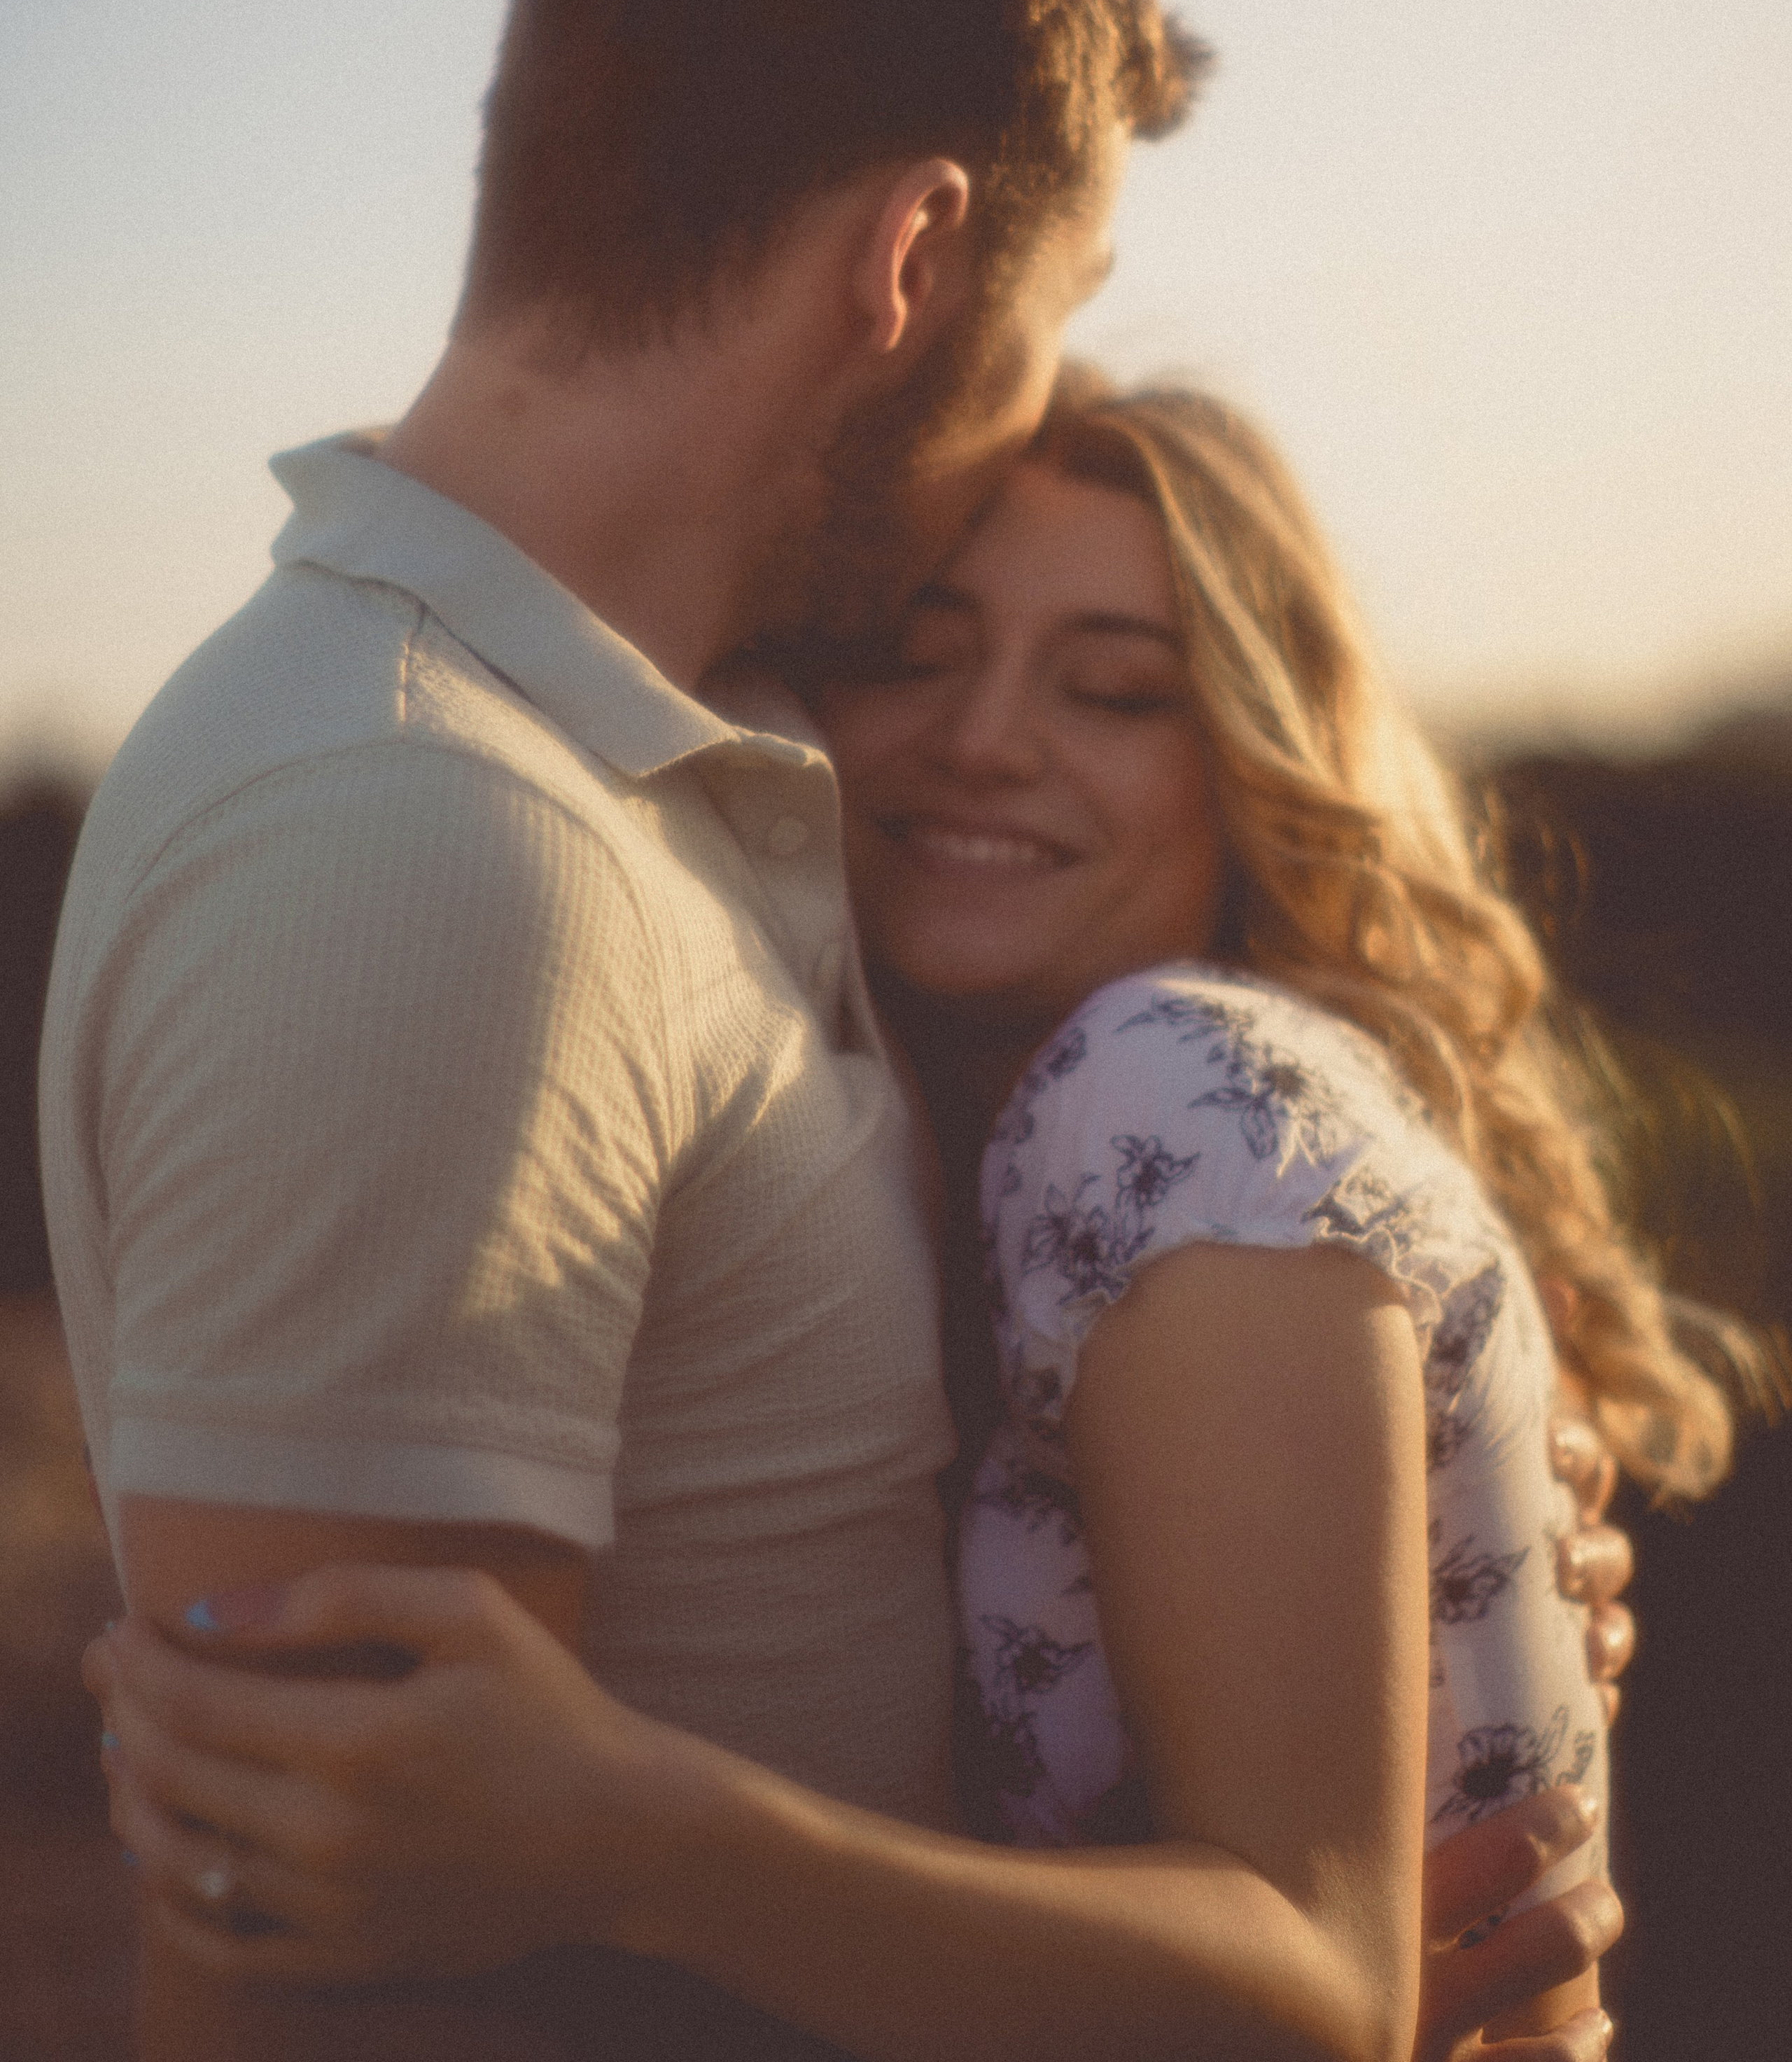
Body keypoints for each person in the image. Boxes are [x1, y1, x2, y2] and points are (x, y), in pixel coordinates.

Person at [84, 377, 1679, 2060]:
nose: (985, 735)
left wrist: (628, 1841)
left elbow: (1314, 1989)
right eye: (916, 655)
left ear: (1254, 768)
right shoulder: (939, 1172)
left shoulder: (1170, 1095)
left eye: (1116, 689)